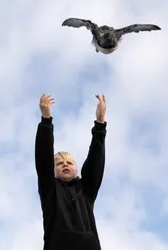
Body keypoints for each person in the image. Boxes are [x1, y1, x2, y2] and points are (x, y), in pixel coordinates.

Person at [35, 94, 107, 250]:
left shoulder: (85, 191)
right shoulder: (50, 190)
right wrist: (46, 120)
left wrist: (100, 123)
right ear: (54, 170)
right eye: (60, 163)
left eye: (69, 163)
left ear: (76, 169)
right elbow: (43, 160)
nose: (65, 165)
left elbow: (95, 161)